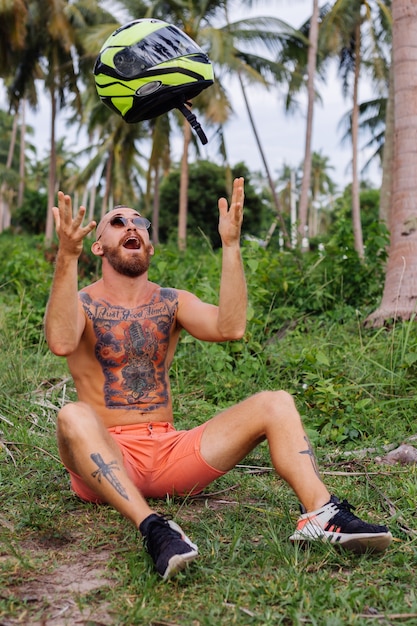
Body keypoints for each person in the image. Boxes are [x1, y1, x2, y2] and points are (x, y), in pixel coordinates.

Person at [44, 178, 392, 580]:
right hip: (104, 457)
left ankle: (320, 512)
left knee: (275, 401)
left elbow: (231, 326)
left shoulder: (171, 301)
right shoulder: (83, 302)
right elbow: (61, 341)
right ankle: (154, 528)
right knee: (72, 414)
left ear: (150, 246)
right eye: (118, 221)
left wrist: (231, 245)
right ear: (98, 244)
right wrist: (66, 257)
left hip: (168, 451)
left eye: (139, 222)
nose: (132, 226)